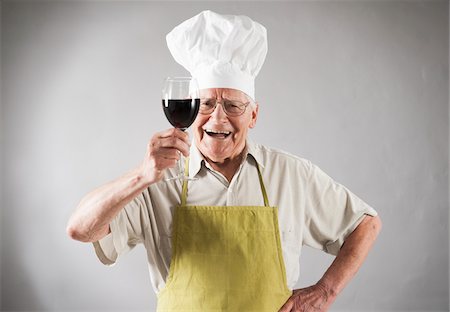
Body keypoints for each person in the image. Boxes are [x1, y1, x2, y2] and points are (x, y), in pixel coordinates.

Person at [67, 10, 382, 312]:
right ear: (190, 110)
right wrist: (142, 175)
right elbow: (80, 229)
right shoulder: (158, 180)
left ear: (254, 115)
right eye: (205, 104)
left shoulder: (291, 175)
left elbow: (366, 224)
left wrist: (326, 291)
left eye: (233, 105)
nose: (217, 119)